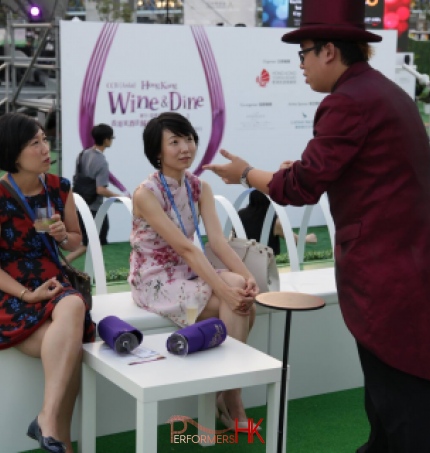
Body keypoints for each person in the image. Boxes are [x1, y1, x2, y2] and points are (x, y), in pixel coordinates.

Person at [204, 1, 430, 451]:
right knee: (390, 412)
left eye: (303, 52)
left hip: (388, 280)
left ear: (329, 51)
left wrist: (247, 175)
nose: (301, 64)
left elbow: (300, 187)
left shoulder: (346, 102)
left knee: (402, 412)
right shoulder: (383, 92)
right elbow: (354, 172)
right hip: (408, 269)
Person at [129, 112, 259, 429]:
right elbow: (186, 247)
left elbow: (217, 242)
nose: (186, 147)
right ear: (158, 152)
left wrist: (248, 277)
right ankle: (233, 401)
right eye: (175, 141)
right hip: (155, 279)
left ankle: (226, 393)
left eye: (188, 139)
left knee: (240, 292)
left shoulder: (200, 187)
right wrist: (227, 290)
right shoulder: (146, 193)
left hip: (190, 271)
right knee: (235, 303)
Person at [0, 113, 95, 453]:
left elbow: (75, 240)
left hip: (53, 282)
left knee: (71, 307)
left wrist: (62, 235)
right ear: (13, 154)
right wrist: (27, 294)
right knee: (69, 340)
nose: (45, 148)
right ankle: (58, 436)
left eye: (44, 139)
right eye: (34, 143)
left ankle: (48, 421)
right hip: (12, 289)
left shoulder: (58, 188)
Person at [67, 123, 122, 262]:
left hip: (79, 202)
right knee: (91, 243)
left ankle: (72, 267)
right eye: (111, 138)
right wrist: (120, 197)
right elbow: (100, 189)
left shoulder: (83, 154)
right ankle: (63, 264)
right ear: (106, 140)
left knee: (90, 243)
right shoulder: (101, 162)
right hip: (94, 208)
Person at [237, 189, 317, 255]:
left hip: (243, 259)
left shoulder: (240, 214)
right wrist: (307, 238)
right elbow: (293, 239)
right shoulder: (274, 221)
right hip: (265, 262)